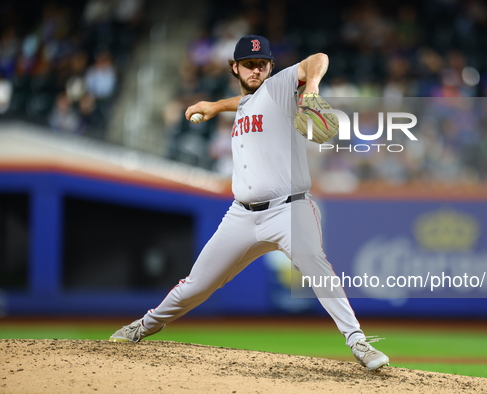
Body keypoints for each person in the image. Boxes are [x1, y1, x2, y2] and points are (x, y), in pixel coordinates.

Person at [109, 35, 390, 371]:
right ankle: (144, 326)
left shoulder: (280, 87)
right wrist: (214, 106)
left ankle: (358, 341)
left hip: (290, 209)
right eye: (249, 65)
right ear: (235, 68)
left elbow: (318, 57)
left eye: (262, 64)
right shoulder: (246, 104)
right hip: (241, 216)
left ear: (271, 67)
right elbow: (243, 103)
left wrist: (311, 87)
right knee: (196, 285)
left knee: (317, 267)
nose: (256, 70)